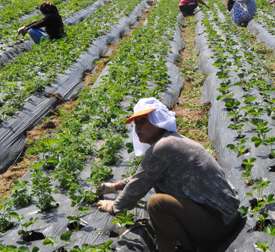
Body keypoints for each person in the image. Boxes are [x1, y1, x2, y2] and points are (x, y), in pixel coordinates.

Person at [96, 98, 240, 252]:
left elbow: (139, 183)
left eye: (143, 121)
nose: (137, 127)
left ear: (157, 120)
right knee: (159, 187)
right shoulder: (171, 142)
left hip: (219, 223)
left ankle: (187, 248)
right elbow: (145, 175)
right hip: (225, 216)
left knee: (157, 203)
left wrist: (114, 206)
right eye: (136, 122)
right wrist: (115, 186)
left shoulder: (162, 147)